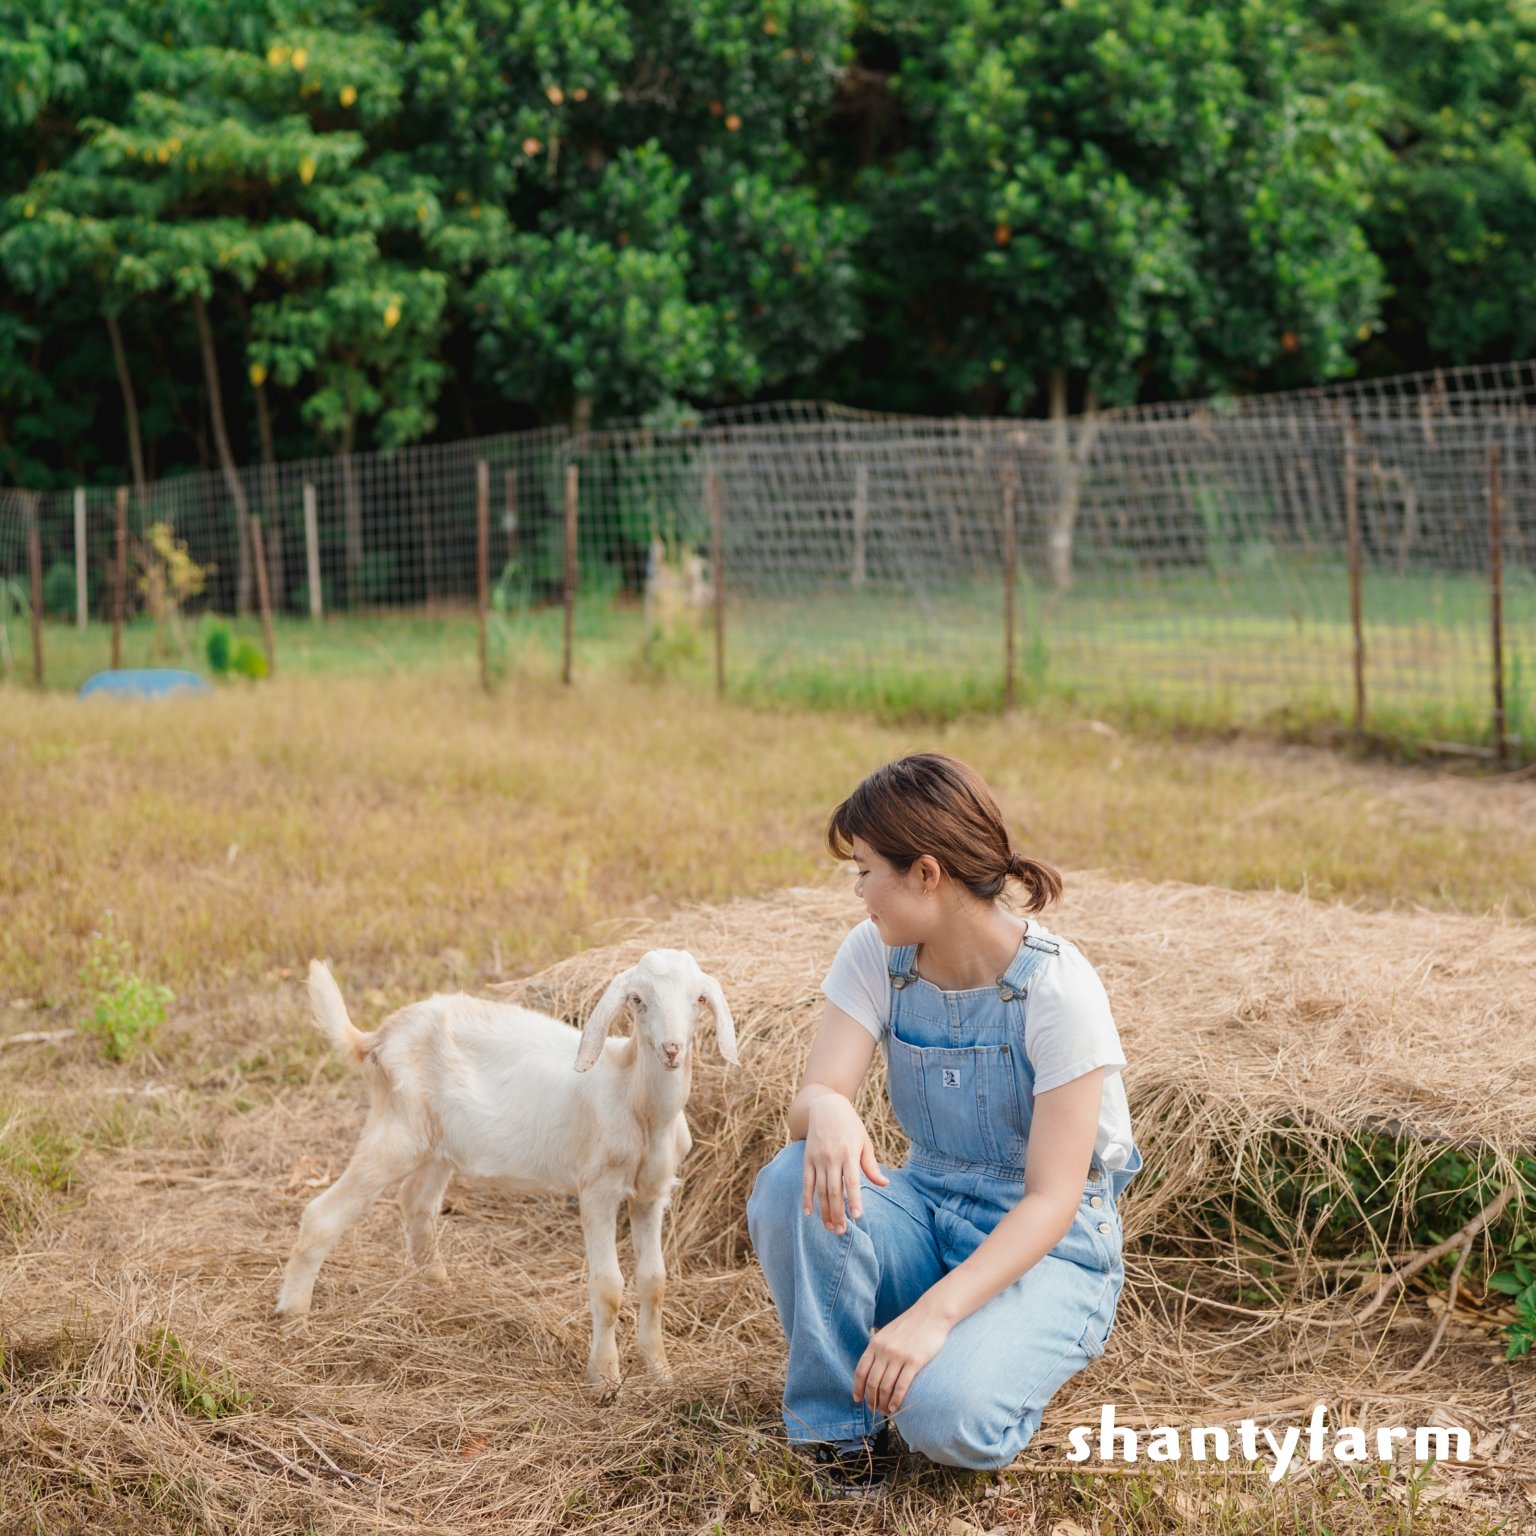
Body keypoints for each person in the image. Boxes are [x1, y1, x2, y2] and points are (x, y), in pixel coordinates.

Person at [746, 752, 1143, 1498]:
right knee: (789, 1177)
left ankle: (996, 1351)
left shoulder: (1058, 990)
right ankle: (838, 1430)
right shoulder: (876, 954)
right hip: (927, 1210)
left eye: (865, 870)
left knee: (940, 1419)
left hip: (1048, 1249)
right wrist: (828, 1107)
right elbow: (814, 1096)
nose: (858, 891)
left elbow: (1052, 1201)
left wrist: (935, 1315)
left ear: (926, 873)